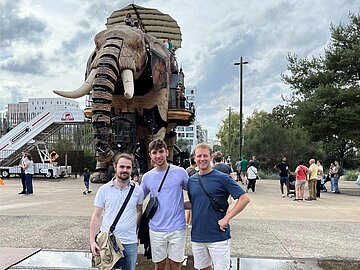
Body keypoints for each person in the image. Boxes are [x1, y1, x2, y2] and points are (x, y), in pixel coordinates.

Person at [187, 143, 250, 270]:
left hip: (218, 236)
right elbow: (195, 202)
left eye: (205, 155)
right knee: (203, 268)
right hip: (198, 235)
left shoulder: (222, 178)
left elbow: (244, 198)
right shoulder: (191, 180)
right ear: (194, 158)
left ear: (211, 158)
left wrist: (226, 218)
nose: (202, 159)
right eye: (199, 156)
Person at [89, 153, 144, 270]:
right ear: (115, 167)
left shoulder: (138, 191)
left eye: (128, 167)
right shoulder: (104, 190)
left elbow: (139, 212)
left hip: (129, 242)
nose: (125, 170)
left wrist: (135, 232)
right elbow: (97, 216)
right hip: (108, 242)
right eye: (122, 166)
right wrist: (92, 241)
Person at [140, 139, 188, 270]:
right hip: (156, 228)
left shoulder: (180, 172)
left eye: (161, 151)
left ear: (167, 152)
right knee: (159, 265)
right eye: (154, 152)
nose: (158, 156)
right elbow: (138, 198)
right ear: (150, 155)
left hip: (177, 227)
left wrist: (186, 205)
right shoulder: (147, 177)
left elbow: (195, 193)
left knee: (175, 264)